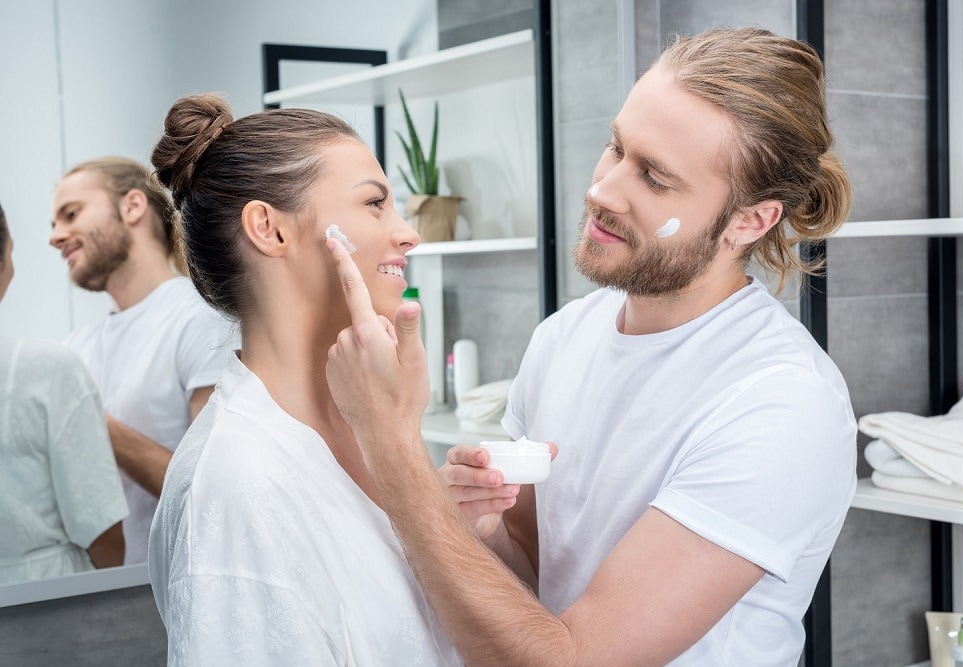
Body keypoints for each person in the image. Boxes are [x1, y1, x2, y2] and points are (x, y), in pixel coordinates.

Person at [324, 27, 858, 666]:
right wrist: (479, 531)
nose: (603, 189)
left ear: (750, 220)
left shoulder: (781, 403)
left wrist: (388, 440)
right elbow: (533, 575)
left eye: (655, 177)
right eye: (616, 148)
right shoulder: (563, 338)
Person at [146, 93, 461, 665]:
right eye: (375, 203)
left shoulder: (367, 434)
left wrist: (462, 525)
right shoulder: (240, 485)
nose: (408, 233)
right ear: (269, 228)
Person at [49, 157, 236, 565]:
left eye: (71, 214)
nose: (56, 236)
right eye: (53, 224)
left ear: (133, 206)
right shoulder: (75, 348)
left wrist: (90, 423)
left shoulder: (203, 320)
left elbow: (215, 493)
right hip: (103, 600)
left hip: (181, 597)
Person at [0, 200, 128, 585]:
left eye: (71, 214)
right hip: (44, 606)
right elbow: (104, 538)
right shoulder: (46, 368)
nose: (57, 236)